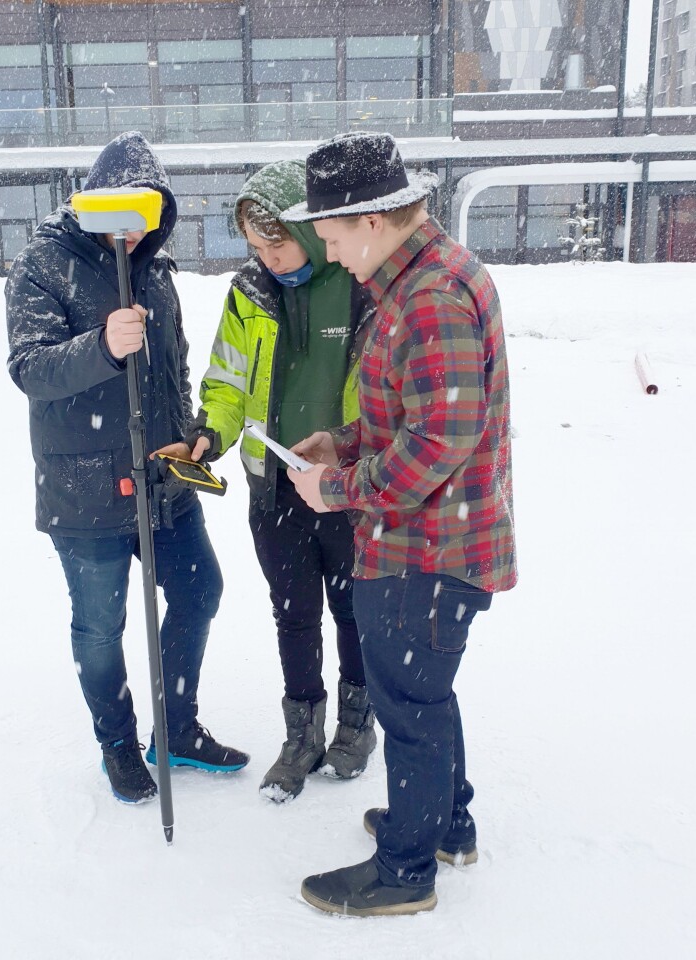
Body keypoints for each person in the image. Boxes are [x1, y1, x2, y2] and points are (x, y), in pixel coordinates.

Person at [283, 132, 517, 916]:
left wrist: (340, 486)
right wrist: (342, 441)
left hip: (427, 549)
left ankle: (406, 870)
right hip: (430, 540)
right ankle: (444, 823)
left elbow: (440, 442)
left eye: (336, 237)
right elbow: (417, 415)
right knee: (426, 691)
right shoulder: (419, 278)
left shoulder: (429, 296)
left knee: (408, 706)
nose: (335, 253)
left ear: (374, 222)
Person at [4, 131, 248, 805]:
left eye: (149, 217)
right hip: (85, 491)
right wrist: (103, 347)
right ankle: (117, 742)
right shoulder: (43, 265)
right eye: (124, 214)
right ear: (93, 203)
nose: (135, 233)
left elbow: (173, 369)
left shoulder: (154, 269)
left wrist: (192, 435)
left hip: (162, 477)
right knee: (99, 626)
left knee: (199, 590)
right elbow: (30, 368)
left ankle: (175, 728)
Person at [156, 160, 377, 801]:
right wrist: (210, 433)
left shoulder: (359, 282)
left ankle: (357, 723)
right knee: (294, 615)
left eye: (276, 243)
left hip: (349, 487)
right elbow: (226, 384)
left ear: (307, 230)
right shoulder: (250, 295)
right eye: (256, 248)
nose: (268, 259)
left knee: (354, 613)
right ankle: (302, 732)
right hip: (274, 488)